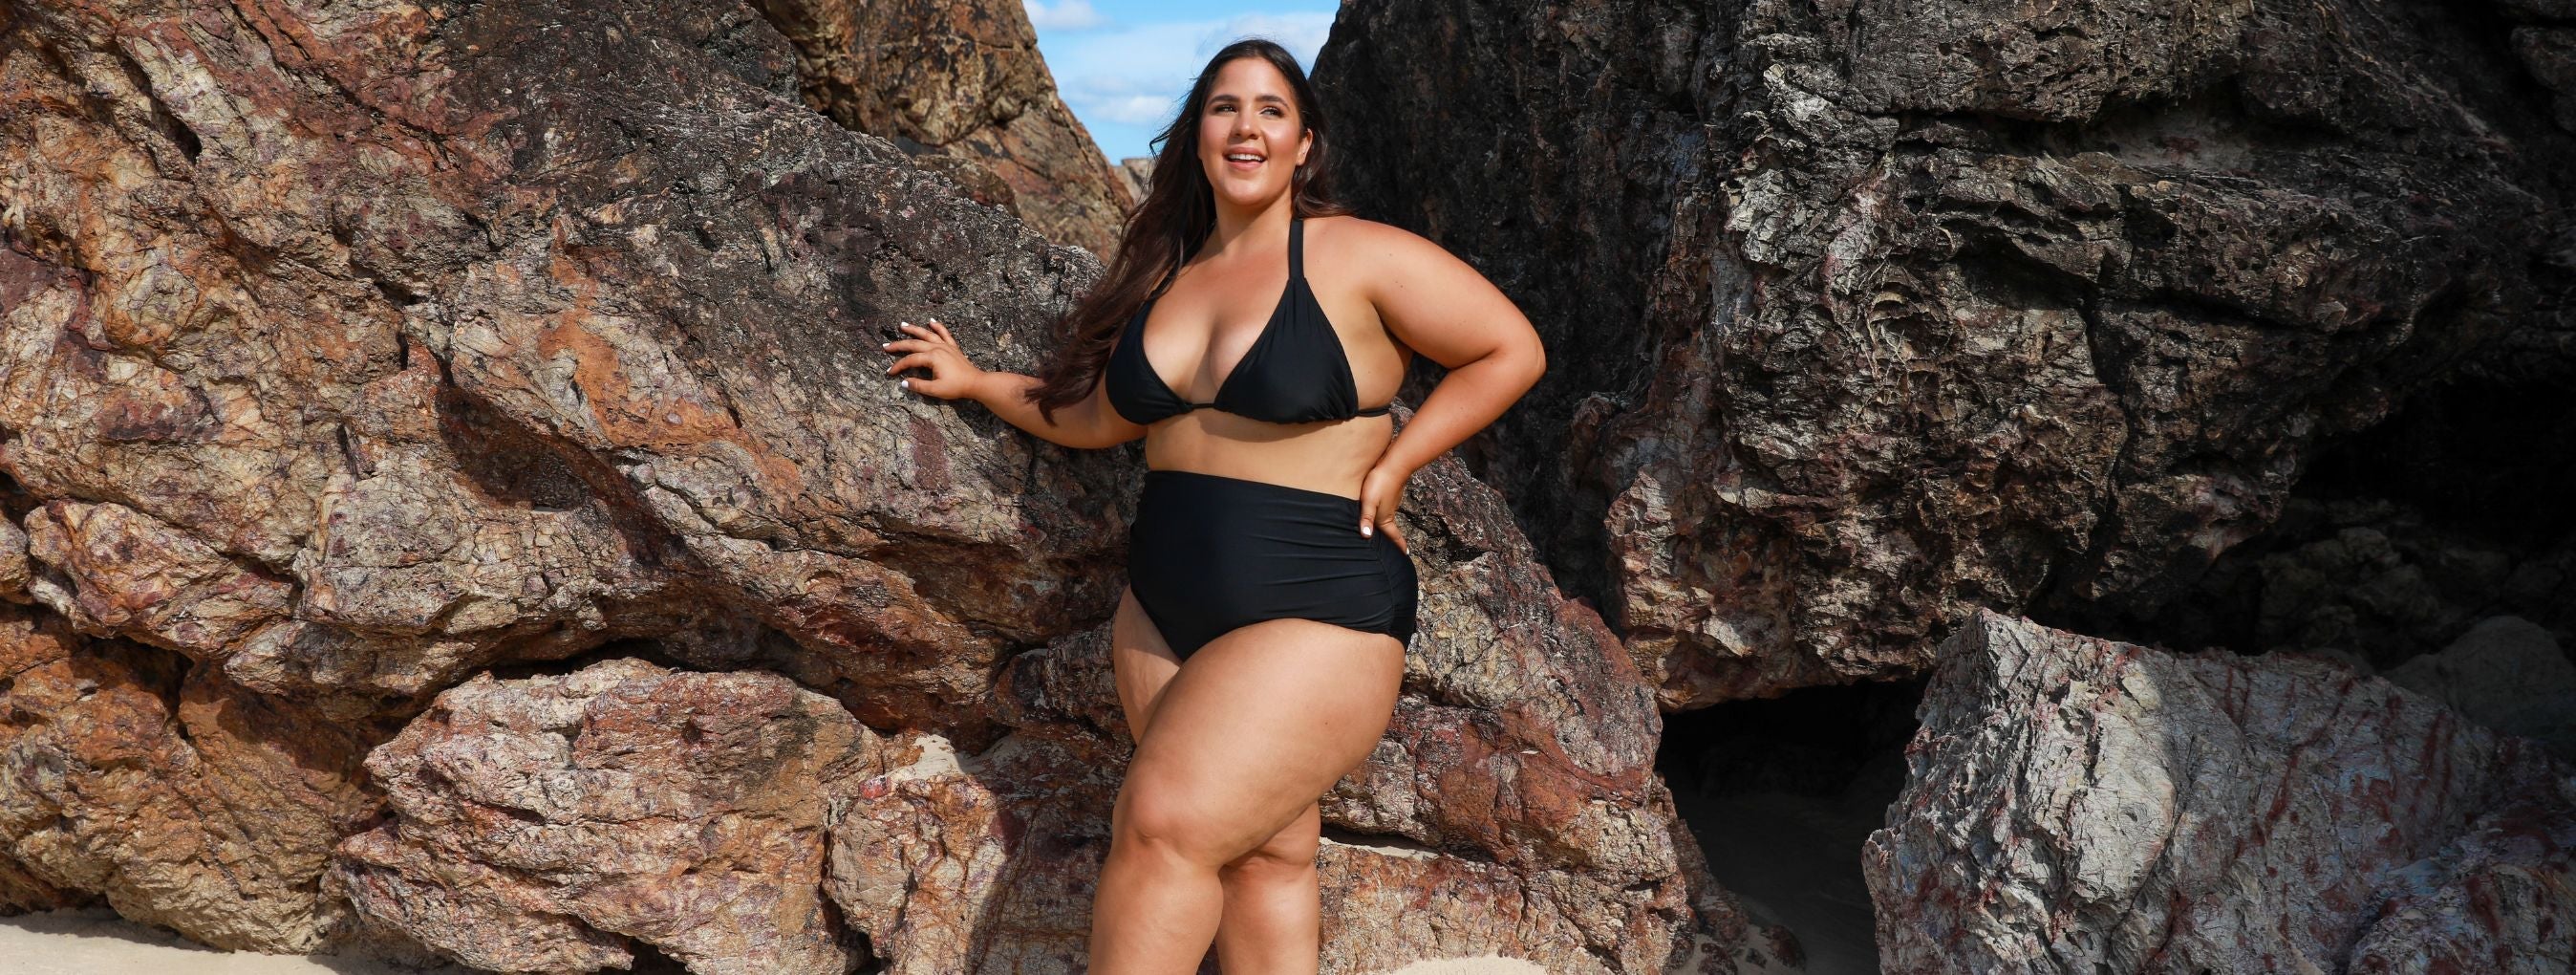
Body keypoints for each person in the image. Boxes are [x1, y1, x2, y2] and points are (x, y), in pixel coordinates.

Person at [875, 36, 1544, 974]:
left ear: (1304, 145)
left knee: (1161, 827)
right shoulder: (1166, 275)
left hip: (1316, 597)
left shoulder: (1353, 254)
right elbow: (1100, 417)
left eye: (1271, 110)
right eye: (1225, 107)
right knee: (1263, 853)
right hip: (1162, 608)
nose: (1245, 127)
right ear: (1197, 134)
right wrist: (979, 381)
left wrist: (1398, 464)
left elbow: (1507, 349)